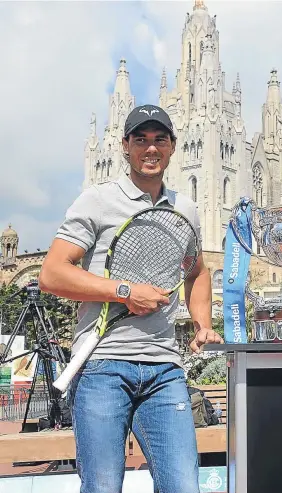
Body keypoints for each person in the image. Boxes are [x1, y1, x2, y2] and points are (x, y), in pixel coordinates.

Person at [39, 104, 222, 493]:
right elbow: (52, 273)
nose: (150, 148)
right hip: (103, 367)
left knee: (184, 488)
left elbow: (197, 271)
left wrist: (203, 324)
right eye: (141, 139)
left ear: (174, 146)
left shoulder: (185, 209)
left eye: (159, 139)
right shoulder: (96, 200)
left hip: (164, 369)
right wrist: (125, 291)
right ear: (125, 146)